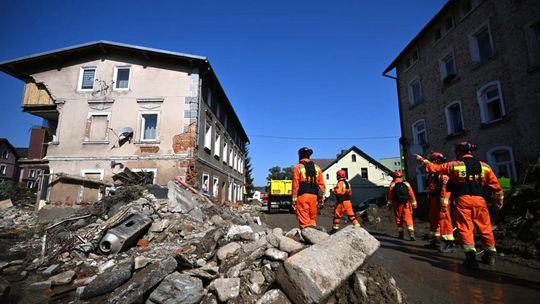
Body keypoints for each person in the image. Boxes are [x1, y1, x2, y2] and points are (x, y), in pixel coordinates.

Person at [416, 141, 504, 268]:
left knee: (465, 229)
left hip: (463, 201)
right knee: (486, 228)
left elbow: (433, 168)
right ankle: (490, 256)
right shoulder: (485, 167)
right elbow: (497, 188)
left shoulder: (454, 165)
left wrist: (422, 160)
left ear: (458, 152)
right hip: (480, 201)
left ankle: (471, 258)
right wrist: (498, 202)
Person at [424, 152, 456, 252]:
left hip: (442, 200)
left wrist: (444, 203)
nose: (431, 162)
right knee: (434, 219)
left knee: (445, 220)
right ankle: (436, 241)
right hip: (434, 199)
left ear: (437, 160)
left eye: (433, 160)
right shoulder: (434, 173)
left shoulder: (444, 172)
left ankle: (450, 243)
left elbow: (445, 190)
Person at [292, 147, 326, 229]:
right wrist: (322, 197)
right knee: (312, 218)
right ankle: (313, 237)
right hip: (314, 197)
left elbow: (295, 185)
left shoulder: (298, 167)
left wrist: (294, 201)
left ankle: (306, 238)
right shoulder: (317, 167)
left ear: (300, 156)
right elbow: (321, 184)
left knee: (304, 220)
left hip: (303, 196)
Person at [387, 170, 417, 241]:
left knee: (398, 219)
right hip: (406, 204)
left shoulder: (392, 184)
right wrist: (414, 204)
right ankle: (411, 234)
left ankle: (401, 234)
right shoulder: (406, 183)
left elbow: (390, 196)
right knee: (408, 219)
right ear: (401, 176)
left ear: (394, 177)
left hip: (397, 204)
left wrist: (389, 205)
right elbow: (411, 194)